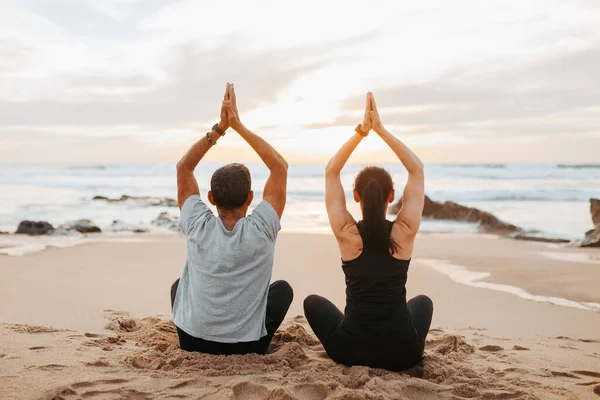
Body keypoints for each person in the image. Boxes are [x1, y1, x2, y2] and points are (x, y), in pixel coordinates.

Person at [303, 92, 433, 372]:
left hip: (352, 350)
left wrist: (362, 131)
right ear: (391, 196)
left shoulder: (347, 233)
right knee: (423, 303)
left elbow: (331, 171)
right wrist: (381, 130)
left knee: (312, 303)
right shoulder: (403, 232)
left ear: (356, 196)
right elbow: (417, 169)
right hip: (403, 352)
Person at [171, 83, 292, 355]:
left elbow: (184, 167)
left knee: (179, 287)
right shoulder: (262, 228)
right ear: (250, 198)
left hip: (192, 341)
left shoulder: (196, 223)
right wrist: (238, 126)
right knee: (282, 290)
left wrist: (220, 129)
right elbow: (279, 167)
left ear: (211, 198)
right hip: (247, 346)